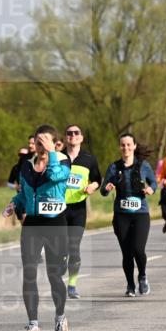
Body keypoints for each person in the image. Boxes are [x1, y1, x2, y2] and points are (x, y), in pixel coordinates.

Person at [4, 126, 70, 331]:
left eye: (45, 142)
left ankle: (60, 319)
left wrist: (51, 153)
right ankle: (33, 325)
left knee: (54, 276)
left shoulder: (62, 161)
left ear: (54, 143)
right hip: (32, 224)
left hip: (55, 224)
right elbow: (24, 193)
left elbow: (54, 176)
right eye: (38, 142)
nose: (41, 146)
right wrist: (14, 203)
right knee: (29, 274)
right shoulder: (26, 166)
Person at [101, 133, 156, 297]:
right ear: (120, 147)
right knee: (127, 252)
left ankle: (143, 276)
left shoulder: (144, 166)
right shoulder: (114, 167)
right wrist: (107, 188)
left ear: (134, 146)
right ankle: (130, 285)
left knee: (138, 249)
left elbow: (153, 182)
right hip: (121, 215)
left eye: (128, 144)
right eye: (123, 145)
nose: (125, 148)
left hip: (140, 214)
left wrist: (151, 189)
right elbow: (103, 190)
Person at [62, 124, 101, 298]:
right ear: (65, 138)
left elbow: (97, 179)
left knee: (74, 248)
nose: (73, 135)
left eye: (76, 133)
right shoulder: (57, 158)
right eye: (69, 133)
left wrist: (92, 186)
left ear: (81, 137)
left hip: (78, 209)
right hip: (59, 208)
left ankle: (71, 285)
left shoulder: (89, 159)